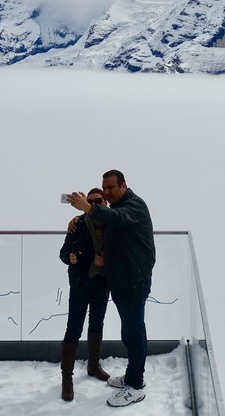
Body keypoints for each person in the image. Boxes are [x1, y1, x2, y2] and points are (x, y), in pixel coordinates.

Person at [66, 169, 155, 408]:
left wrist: (88, 208)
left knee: (133, 332)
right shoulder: (117, 208)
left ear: (124, 186)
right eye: (103, 188)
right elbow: (106, 228)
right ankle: (133, 376)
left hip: (134, 281)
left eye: (110, 188)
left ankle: (135, 386)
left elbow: (117, 219)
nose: (106, 192)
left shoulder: (134, 206)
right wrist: (78, 220)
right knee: (133, 330)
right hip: (125, 281)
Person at [58, 187, 112, 401]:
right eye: (91, 201)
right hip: (80, 285)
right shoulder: (78, 224)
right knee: (73, 329)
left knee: (97, 324)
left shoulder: (112, 224)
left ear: (105, 203)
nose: (95, 204)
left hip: (101, 283)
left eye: (99, 201)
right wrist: (69, 257)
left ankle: (93, 364)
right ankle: (66, 378)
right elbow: (63, 252)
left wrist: (105, 262)